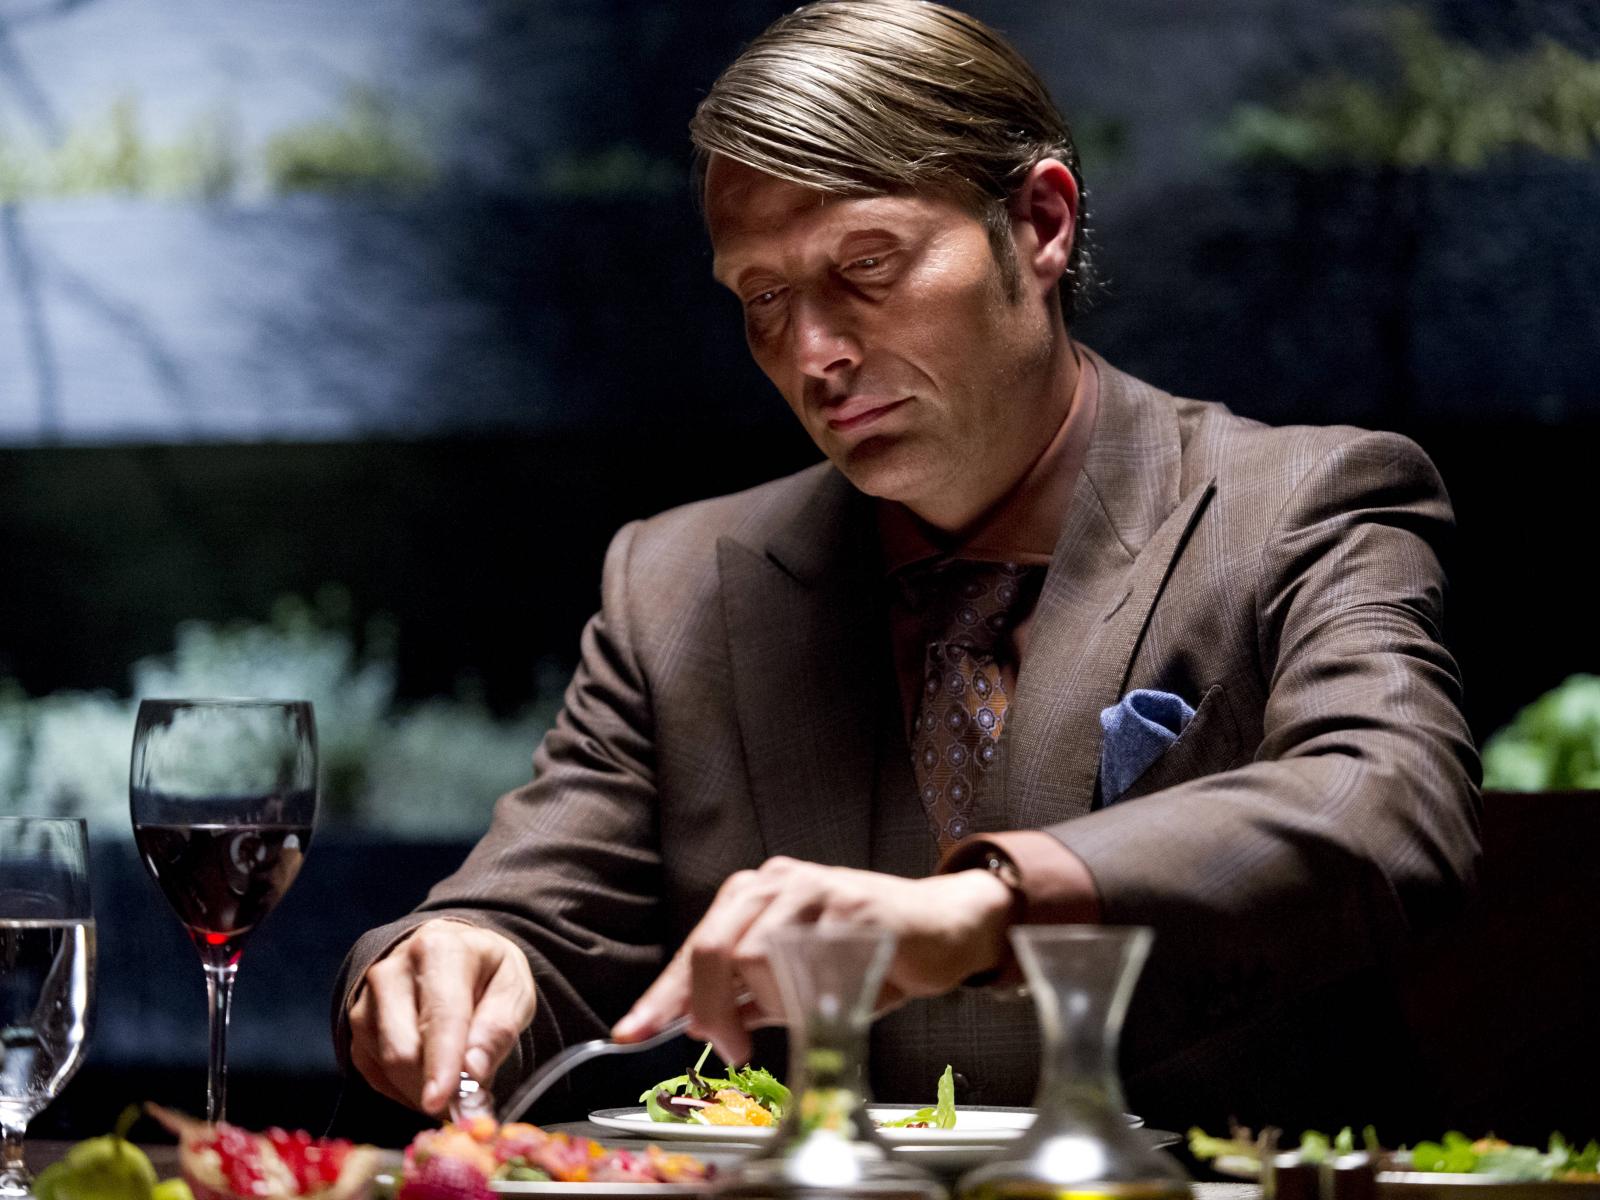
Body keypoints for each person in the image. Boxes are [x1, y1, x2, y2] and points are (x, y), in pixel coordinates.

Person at [335, 0, 1479, 1133]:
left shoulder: (1304, 503)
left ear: (1040, 224)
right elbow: (538, 917)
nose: (814, 354)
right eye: (764, 298)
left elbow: (1388, 802)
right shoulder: (678, 584)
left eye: (867, 264)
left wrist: (987, 907)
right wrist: (456, 956)